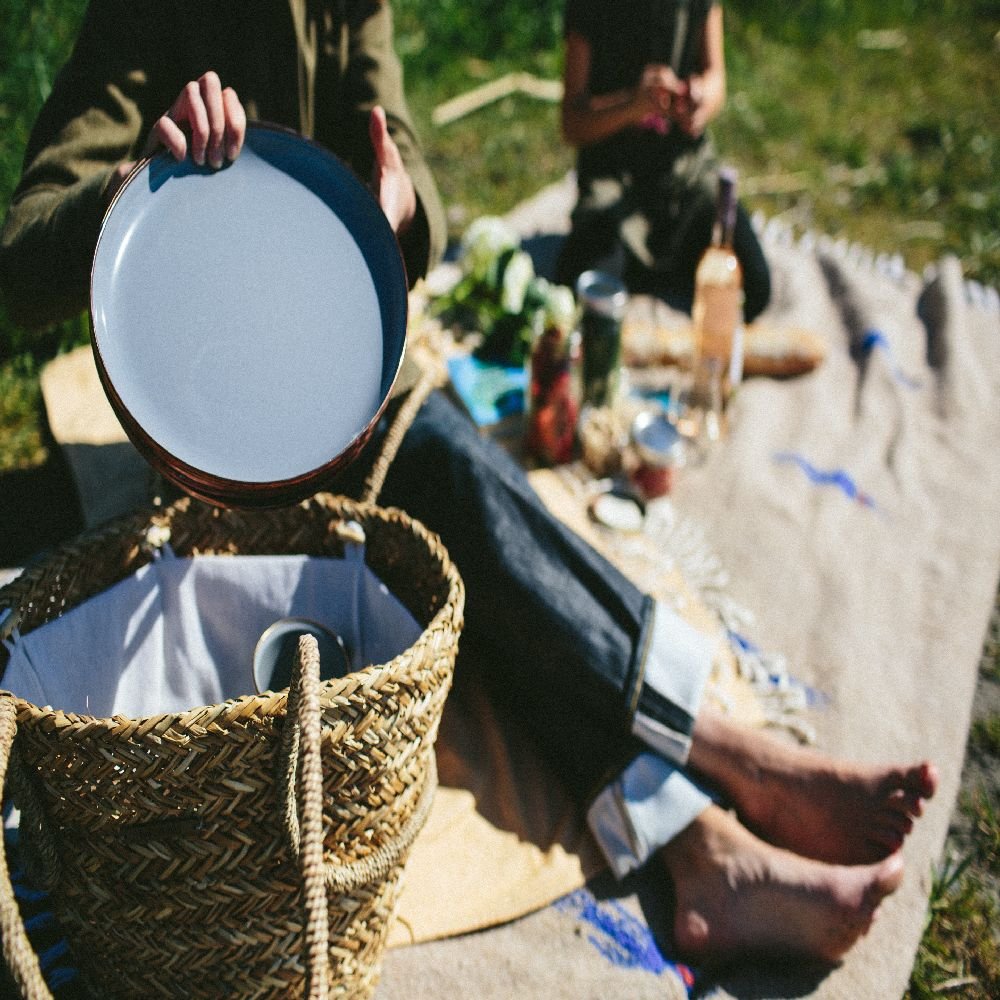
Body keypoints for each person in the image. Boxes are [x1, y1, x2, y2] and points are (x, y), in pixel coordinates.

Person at [0, 0, 936, 968]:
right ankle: (732, 760)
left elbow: (392, 140)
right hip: (209, 422)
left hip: (341, 373)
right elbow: (26, 256)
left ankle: (705, 845)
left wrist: (397, 195)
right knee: (465, 487)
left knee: (481, 531)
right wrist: (130, 189)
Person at [555, 0, 772, 324]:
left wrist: (699, 101)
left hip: (685, 172)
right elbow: (572, 123)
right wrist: (632, 105)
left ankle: (661, 263)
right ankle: (654, 263)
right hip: (613, 178)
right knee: (589, 300)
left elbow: (716, 80)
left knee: (754, 290)